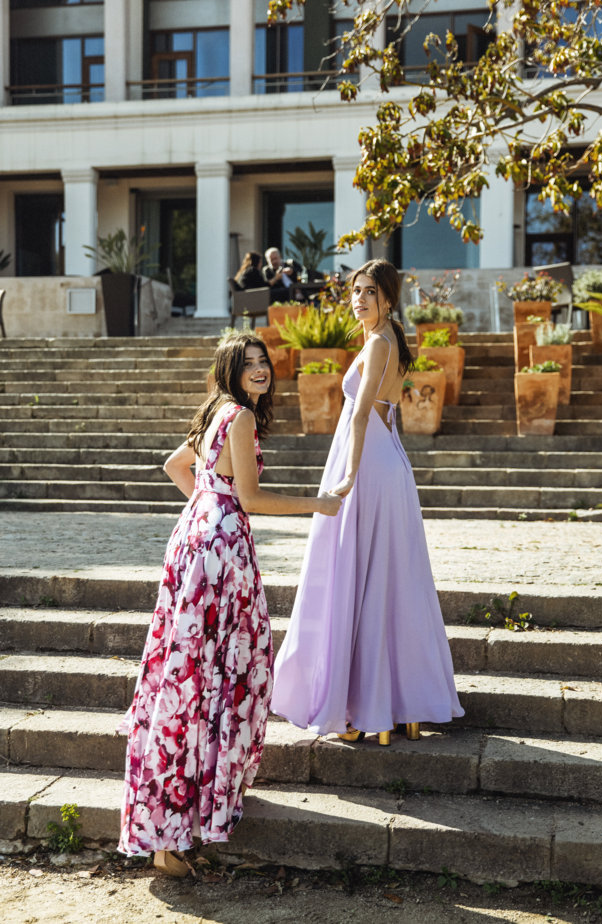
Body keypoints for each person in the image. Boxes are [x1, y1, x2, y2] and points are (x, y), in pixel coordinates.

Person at [118, 332, 341, 875]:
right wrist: (321, 505)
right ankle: (189, 817)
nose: (261, 370)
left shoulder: (217, 411)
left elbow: (177, 467)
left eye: (264, 361)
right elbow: (251, 498)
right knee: (229, 669)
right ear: (232, 371)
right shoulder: (238, 417)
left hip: (194, 540)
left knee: (190, 672)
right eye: (250, 364)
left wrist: (205, 505)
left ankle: (173, 823)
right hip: (220, 553)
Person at [271, 259, 464, 744]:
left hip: (370, 467)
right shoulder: (385, 339)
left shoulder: (380, 341)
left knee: (365, 576)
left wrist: (348, 476)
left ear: (388, 299)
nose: (359, 299)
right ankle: (397, 704)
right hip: (385, 462)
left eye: (369, 292)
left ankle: (368, 709)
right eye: (355, 291)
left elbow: (360, 414)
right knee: (387, 580)